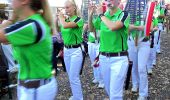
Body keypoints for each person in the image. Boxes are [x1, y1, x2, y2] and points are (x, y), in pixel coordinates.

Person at [0, 0, 57, 100]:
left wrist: (10, 20)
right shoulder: (34, 21)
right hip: (33, 87)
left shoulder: (30, 25)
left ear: (24, 1)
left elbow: (2, 37)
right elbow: (5, 41)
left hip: (35, 89)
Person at [88, 0, 130, 99]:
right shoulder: (104, 15)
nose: (108, 1)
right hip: (103, 58)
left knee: (115, 93)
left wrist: (101, 15)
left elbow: (113, 27)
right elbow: (92, 29)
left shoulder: (124, 14)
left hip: (119, 59)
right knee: (108, 89)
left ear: (118, 1)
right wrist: (90, 15)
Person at [56, 0, 84, 99]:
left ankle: (79, 98)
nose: (66, 9)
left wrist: (60, 17)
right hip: (67, 49)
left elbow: (65, 26)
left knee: (74, 77)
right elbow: (59, 28)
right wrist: (58, 18)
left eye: (68, 7)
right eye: (65, 7)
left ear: (74, 7)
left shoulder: (78, 19)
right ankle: (76, 95)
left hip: (76, 50)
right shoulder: (66, 19)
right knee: (70, 75)